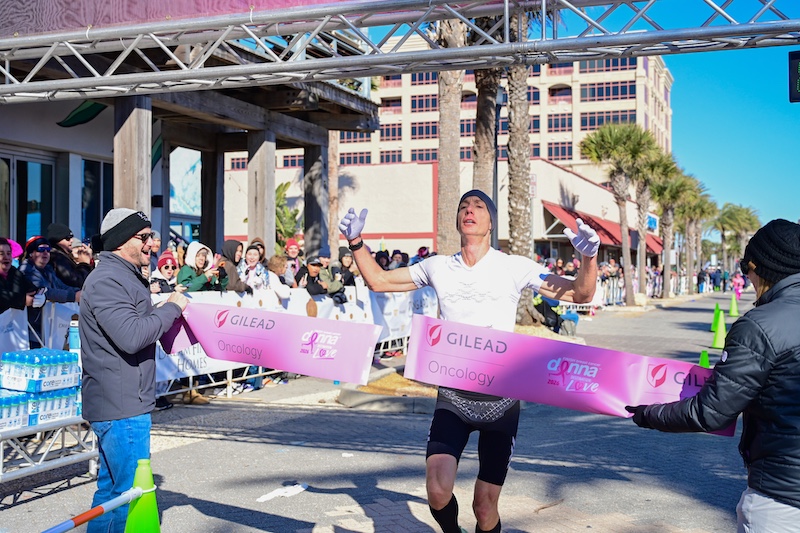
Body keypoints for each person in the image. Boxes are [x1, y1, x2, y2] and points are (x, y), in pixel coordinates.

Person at [339, 189, 599, 533]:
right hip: (454, 398)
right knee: (436, 490)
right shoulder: (437, 267)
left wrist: (589, 258)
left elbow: (580, 293)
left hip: (501, 402)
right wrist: (356, 241)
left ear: (491, 222)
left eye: (479, 206)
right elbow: (379, 280)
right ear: (458, 220)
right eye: (464, 206)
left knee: (484, 507)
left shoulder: (514, 267)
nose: (470, 210)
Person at [625, 219, 800, 533]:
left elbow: (710, 412)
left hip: (782, 497)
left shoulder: (760, 325)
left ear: (759, 267)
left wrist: (649, 414)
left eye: (747, 269)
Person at [79, 208, 188, 533]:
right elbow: (131, 336)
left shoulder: (122, 275)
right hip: (120, 405)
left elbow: (133, 326)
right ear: (120, 241)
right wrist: (171, 307)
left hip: (122, 401)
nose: (150, 243)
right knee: (128, 498)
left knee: (111, 494)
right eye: (143, 237)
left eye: (150, 236)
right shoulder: (109, 280)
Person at [20, 236, 81, 347]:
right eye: (41, 250)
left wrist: (81, 292)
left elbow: (61, 286)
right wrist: (74, 296)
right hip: (32, 329)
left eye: (48, 250)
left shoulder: (47, 269)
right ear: (31, 253)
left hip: (48, 327)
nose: (45, 253)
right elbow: (43, 291)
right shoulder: (26, 271)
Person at [0, 237, 44, 314]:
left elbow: (32, 288)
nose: (6, 257)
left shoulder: (15, 273)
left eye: (9, 253)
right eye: (1, 254)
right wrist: (23, 300)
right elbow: (3, 296)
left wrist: (40, 296)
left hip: (13, 324)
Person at [47, 222, 92, 289]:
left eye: (72, 237)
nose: (72, 241)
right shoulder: (57, 258)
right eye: (68, 238)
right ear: (57, 241)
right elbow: (76, 282)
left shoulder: (63, 256)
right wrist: (84, 264)